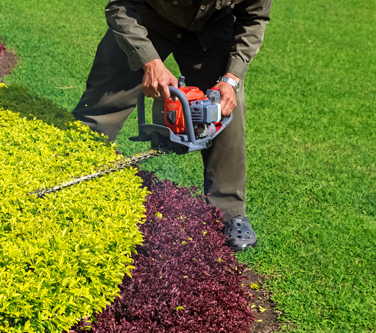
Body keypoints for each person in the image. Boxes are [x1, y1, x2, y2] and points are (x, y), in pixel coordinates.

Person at [72, 0, 273, 252]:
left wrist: (231, 78)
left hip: (212, 28)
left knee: (224, 109)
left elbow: (254, 18)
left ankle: (231, 212)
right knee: (102, 104)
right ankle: (70, 170)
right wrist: (149, 60)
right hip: (147, 19)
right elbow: (119, 6)